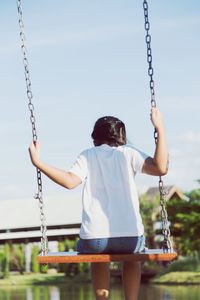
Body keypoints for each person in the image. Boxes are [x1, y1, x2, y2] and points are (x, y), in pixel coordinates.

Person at [29, 107, 168, 300]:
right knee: (133, 257)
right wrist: (159, 128)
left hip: (95, 240)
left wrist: (39, 162)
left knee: (98, 258)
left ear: (95, 137)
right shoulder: (129, 153)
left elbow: (70, 182)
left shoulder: (87, 155)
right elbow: (161, 168)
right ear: (121, 135)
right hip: (131, 238)